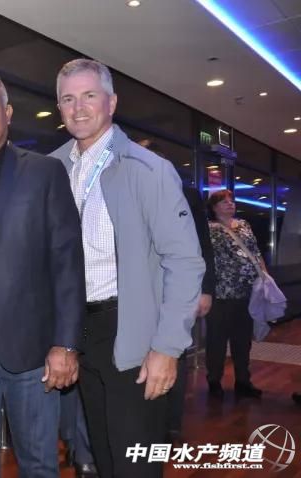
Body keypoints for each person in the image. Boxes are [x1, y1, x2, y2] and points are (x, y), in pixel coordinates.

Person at [50, 58, 205, 478]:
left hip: (133, 333)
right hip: (78, 331)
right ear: (59, 107)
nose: (78, 107)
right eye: (68, 99)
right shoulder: (52, 169)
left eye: (89, 96)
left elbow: (184, 262)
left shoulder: (148, 170)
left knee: (137, 464)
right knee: (103, 457)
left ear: (112, 103)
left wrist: (167, 348)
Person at [0, 68, 85, 477]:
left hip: (33, 343)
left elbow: (67, 264)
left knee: (38, 462)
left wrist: (66, 344)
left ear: (7, 113)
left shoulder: (44, 172)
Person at [137, 139, 216, 441]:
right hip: (140, 290)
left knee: (174, 352)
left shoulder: (187, 194)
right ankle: (146, 418)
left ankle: (171, 423)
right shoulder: (129, 192)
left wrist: (206, 289)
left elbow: (202, 244)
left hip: (176, 286)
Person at [206, 189, 264, 399]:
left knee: (243, 341)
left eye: (231, 200)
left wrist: (264, 276)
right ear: (214, 207)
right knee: (217, 340)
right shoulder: (208, 229)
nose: (230, 204)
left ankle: (243, 381)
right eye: (224, 201)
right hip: (220, 293)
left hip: (246, 292)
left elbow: (255, 253)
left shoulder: (244, 225)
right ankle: (214, 381)